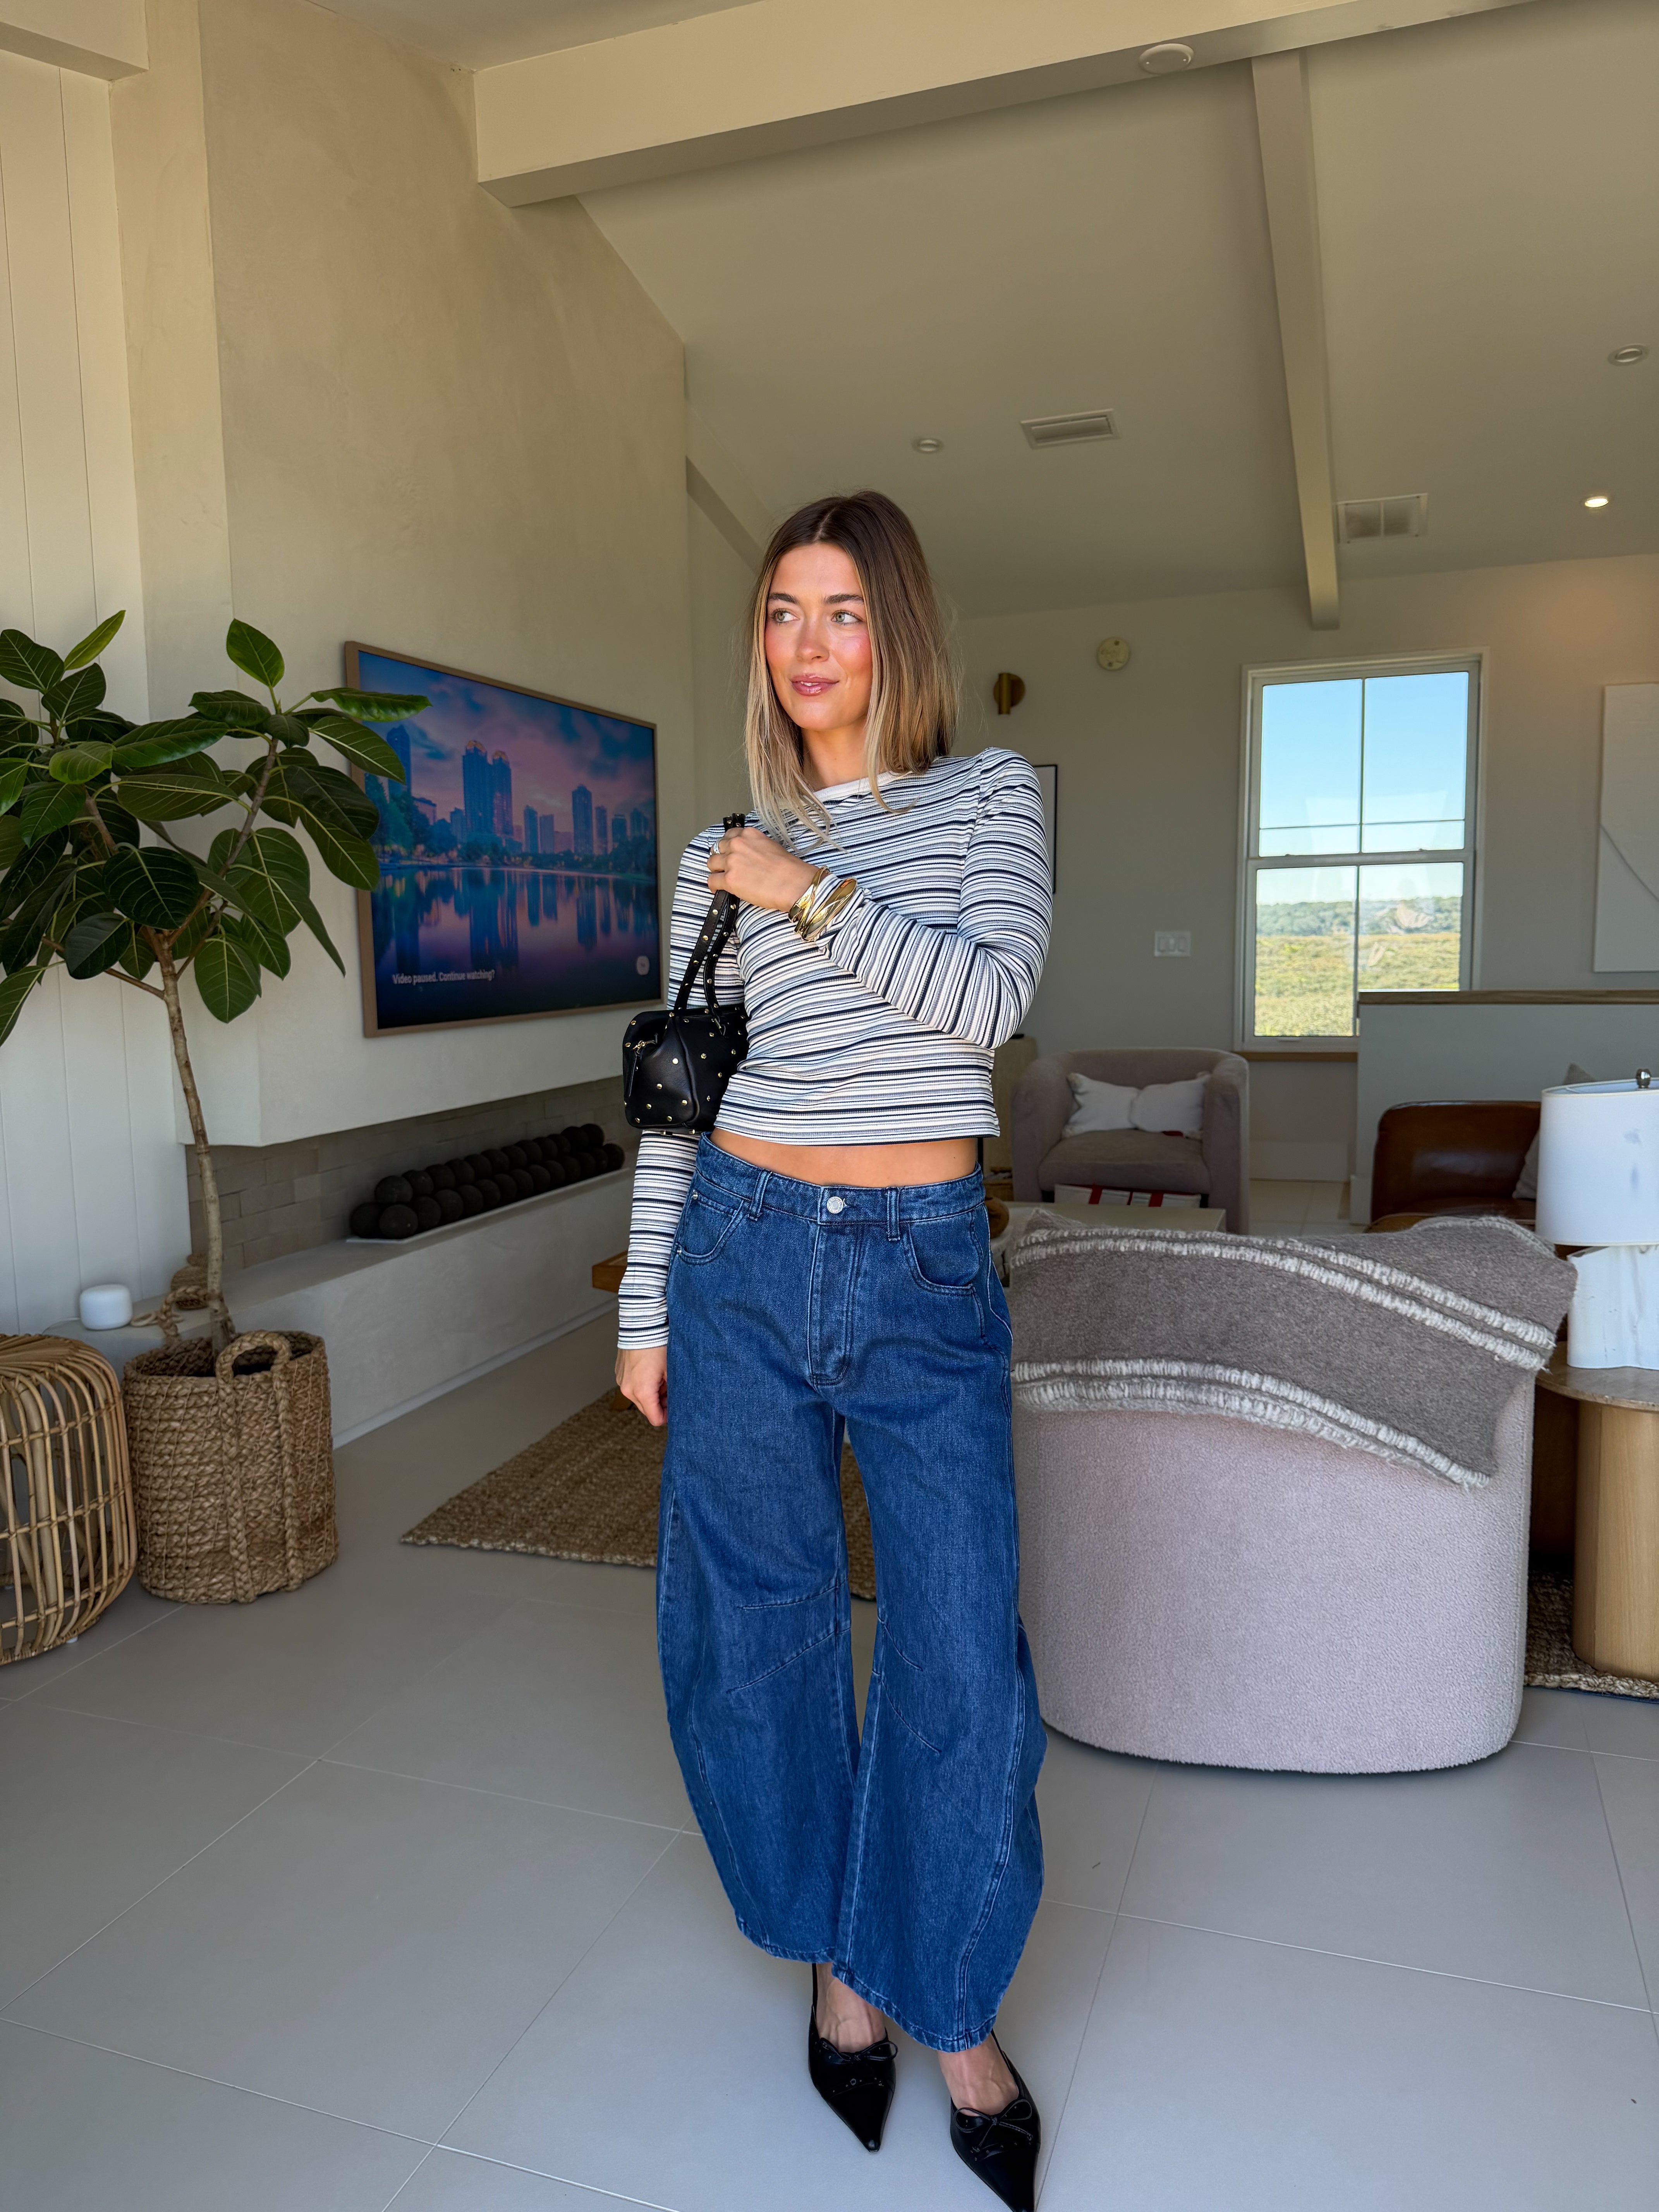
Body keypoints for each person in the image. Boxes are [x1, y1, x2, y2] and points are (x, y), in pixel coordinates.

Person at [615, 489, 1052, 2211]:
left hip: (922, 1263)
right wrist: (643, 1307)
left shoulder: (988, 796)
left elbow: (987, 1002)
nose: (808, 645)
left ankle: (952, 2002)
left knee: (958, 1647)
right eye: (783, 613)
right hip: (738, 1252)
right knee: (756, 1630)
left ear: (900, 632)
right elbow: (676, 1099)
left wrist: (806, 892)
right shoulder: (712, 852)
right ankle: (839, 1970)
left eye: (845, 612)